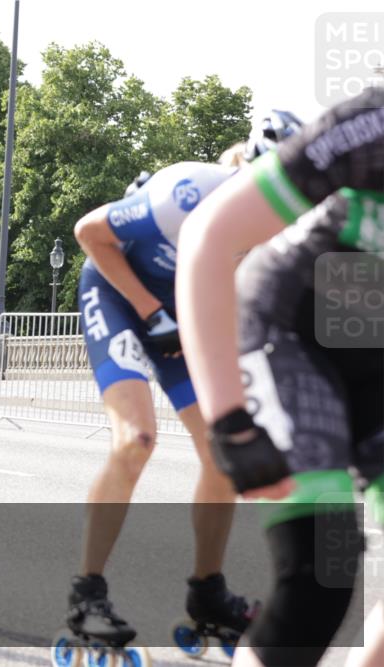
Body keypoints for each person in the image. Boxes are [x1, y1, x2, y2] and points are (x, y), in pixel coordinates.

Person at [64, 134, 300, 652]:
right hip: (118, 292)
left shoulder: (280, 228)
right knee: (135, 439)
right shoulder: (186, 191)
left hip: (181, 311)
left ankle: (207, 593)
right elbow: (88, 232)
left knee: (222, 454)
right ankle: (87, 594)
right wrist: (151, 311)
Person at [176, 88, 384, 667]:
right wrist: (228, 420)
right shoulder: (372, 126)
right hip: (292, 326)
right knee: (322, 570)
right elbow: (209, 236)